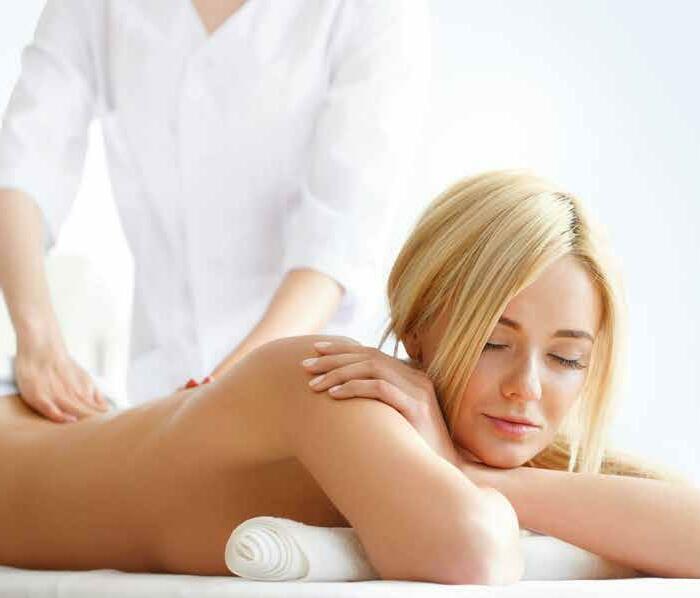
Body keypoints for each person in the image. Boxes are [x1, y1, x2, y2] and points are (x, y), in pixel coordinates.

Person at [0, 170, 700, 585]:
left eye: (566, 358)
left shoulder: (467, 445)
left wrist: (465, 468)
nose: (527, 387)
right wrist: (460, 474)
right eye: (493, 341)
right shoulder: (327, 380)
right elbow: (470, 554)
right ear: (418, 327)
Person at [0, 0, 430, 419]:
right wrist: (39, 343)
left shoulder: (374, 10)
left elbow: (334, 245)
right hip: (160, 386)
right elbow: (23, 166)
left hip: (313, 380)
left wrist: (215, 397)